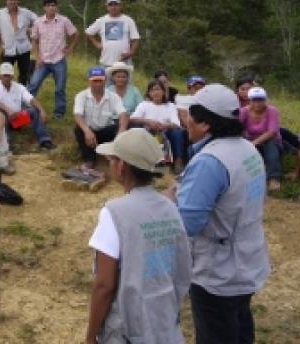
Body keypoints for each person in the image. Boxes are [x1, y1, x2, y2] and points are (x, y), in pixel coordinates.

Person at [167, 83, 270, 344]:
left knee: (217, 332)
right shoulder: (247, 149)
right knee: (239, 324)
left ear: (205, 124)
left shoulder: (210, 161)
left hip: (218, 269)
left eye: (190, 114)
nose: (185, 119)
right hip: (247, 255)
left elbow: (187, 224)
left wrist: (170, 202)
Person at [85, 129, 191, 344]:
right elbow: (182, 267)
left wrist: (90, 337)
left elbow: (104, 286)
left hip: (127, 329)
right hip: (164, 321)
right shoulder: (170, 207)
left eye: (112, 159)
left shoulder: (114, 212)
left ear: (122, 166)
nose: (110, 164)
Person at [28, 0, 79, 119]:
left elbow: (75, 34)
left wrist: (70, 48)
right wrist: (37, 57)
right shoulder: (38, 22)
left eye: (53, 5)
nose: (51, 7)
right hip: (43, 60)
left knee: (60, 88)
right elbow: (34, 40)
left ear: (57, 7)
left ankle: (59, 112)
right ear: (44, 8)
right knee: (33, 84)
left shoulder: (64, 21)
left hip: (59, 60)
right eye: (49, 5)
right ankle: (27, 107)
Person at [0, 62, 53, 151]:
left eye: (9, 75)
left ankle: (45, 140)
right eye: (4, 75)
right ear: (0, 75)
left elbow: (31, 99)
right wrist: (8, 110)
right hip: (2, 119)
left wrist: (42, 110)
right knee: (1, 114)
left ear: (12, 76)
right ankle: (6, 142)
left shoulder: (19, 87)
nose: (7, 78)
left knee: (34, 111)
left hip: (17, 118)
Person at [73, 67, 128, 168]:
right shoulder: (81, 96)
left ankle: (116, 157)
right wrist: (87, 131)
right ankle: (89, 159)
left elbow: (123, 114)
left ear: (105, 81)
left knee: (121, 127)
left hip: (105, 132)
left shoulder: (113, 97)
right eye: (95, 81)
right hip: (89, 132)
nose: (98, 83)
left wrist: (122, 130)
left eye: (100, 80)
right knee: (78, 128)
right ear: (89, 81)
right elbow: (77, 115)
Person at [130, 79, 183, 171]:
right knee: (135, 129)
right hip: (147, 131)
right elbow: (133, 119)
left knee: (177, 132)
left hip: (165, 131)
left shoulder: (170, 105)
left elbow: (176, 123)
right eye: (152, 90)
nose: (155, 92)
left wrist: (164, 126)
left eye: (158, 89)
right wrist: (148, 122)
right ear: (149, 93)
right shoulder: (144, 105)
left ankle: (178, 160)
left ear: (163, 91)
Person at [239, 86, 283, 193]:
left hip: (269, 142)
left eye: (260, 100)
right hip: (251, 141)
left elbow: (272, 132)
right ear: (249, 101)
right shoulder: (243, 111)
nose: (257, 103)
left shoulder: (272, 111)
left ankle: (274, 178)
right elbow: (237, 127)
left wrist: (253, 143)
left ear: (265, 100)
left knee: (270, 143)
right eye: (254, 100)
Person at [0, 0, 37, 85]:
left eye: (14, 0)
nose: (12, 2)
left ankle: (21, 93)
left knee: (25, 73)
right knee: (4, 72)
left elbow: (39, 21)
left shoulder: (26, 12)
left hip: (23, 48)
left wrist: (31, 29)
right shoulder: (0, 13)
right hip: (7, 48)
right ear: (6, 1)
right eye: (10, 0)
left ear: (18, 1)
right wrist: (0, 47)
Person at [85, 0, 140, 67]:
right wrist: (97, 44)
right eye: (110, 5)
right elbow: (88, 32)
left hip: (124, 63)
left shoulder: (128, 20)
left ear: (120, 6)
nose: (113, 7)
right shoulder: (101, 20)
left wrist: (131, 52)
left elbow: (135, 39)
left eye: (116, 4)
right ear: (107, 7)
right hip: (106, 62)